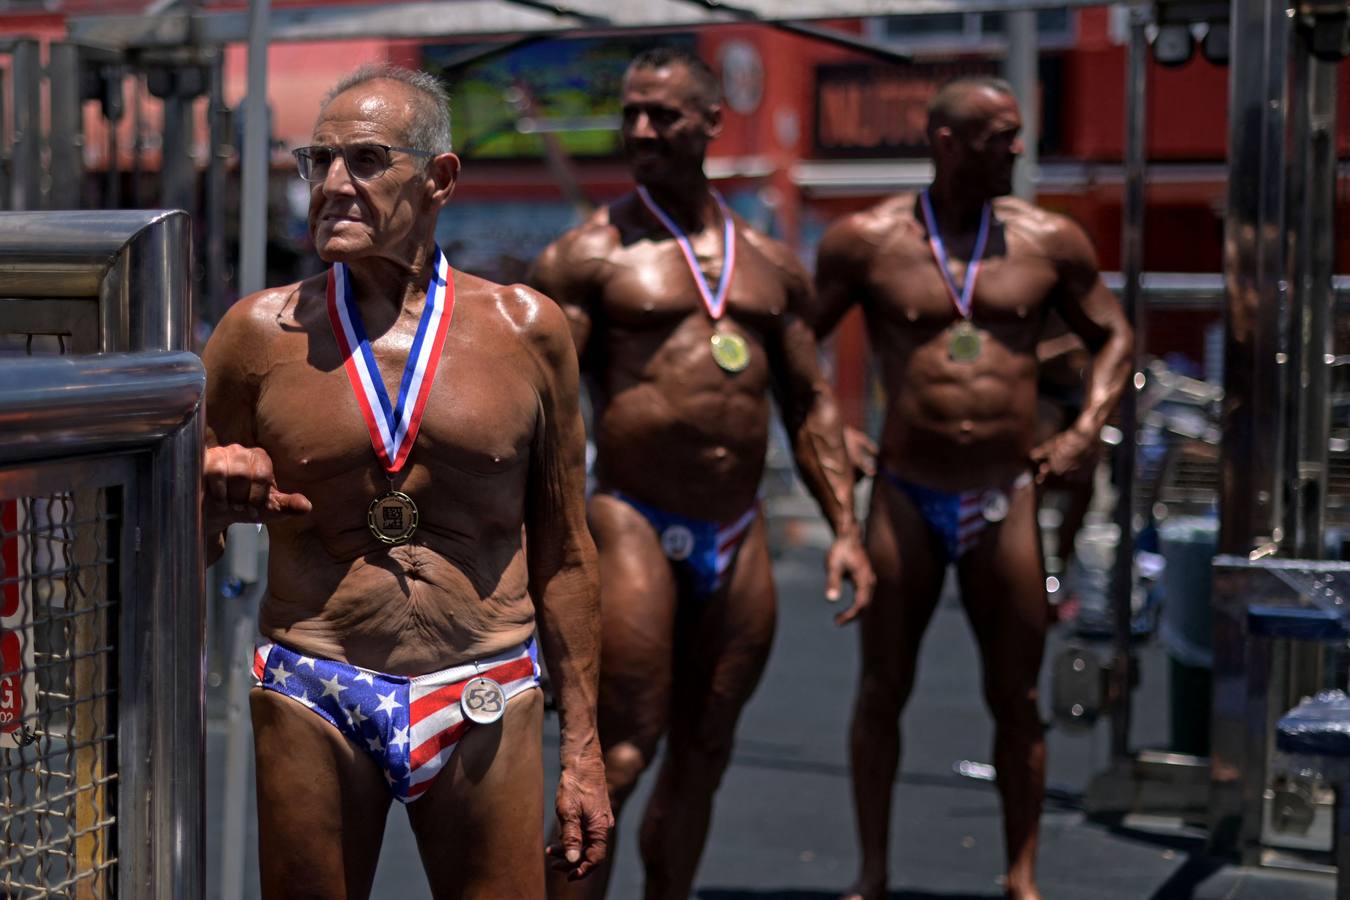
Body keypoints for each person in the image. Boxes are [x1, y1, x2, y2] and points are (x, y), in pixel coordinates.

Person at [200, 64, 611, 899]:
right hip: (317, 681)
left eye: (365, 160)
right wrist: (207, 491)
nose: (331, 185)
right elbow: (178, 546)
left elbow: (566, 552)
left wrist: (584, 753)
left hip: (484, 681)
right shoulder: (257, 336)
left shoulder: (527, 332)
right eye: (316, 162)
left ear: (440, 179)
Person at [529, 47, 875, 900]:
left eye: (665, 114)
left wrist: (846, 533)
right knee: (622, 747)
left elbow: (812, 402)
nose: (642, 129)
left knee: (706, 748)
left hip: (738, 525)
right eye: (631, 112)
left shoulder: (770, 264)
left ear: (713, 123)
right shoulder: (587, 255)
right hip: (631, 515)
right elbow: (535, 409)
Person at [810, 77, 1133, 900]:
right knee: (881, 686)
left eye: (1020, 134)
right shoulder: (867, 241)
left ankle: (1021, 877)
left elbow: (1116, 335)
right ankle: (871, 873)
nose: (1020, 150)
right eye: (1002, 136)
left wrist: (1086, 426)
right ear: (949, 143)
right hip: (905, 491)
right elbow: (793, 345)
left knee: (1018, 693)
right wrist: (830, 427)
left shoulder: (1048, 241)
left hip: (1005, 491)